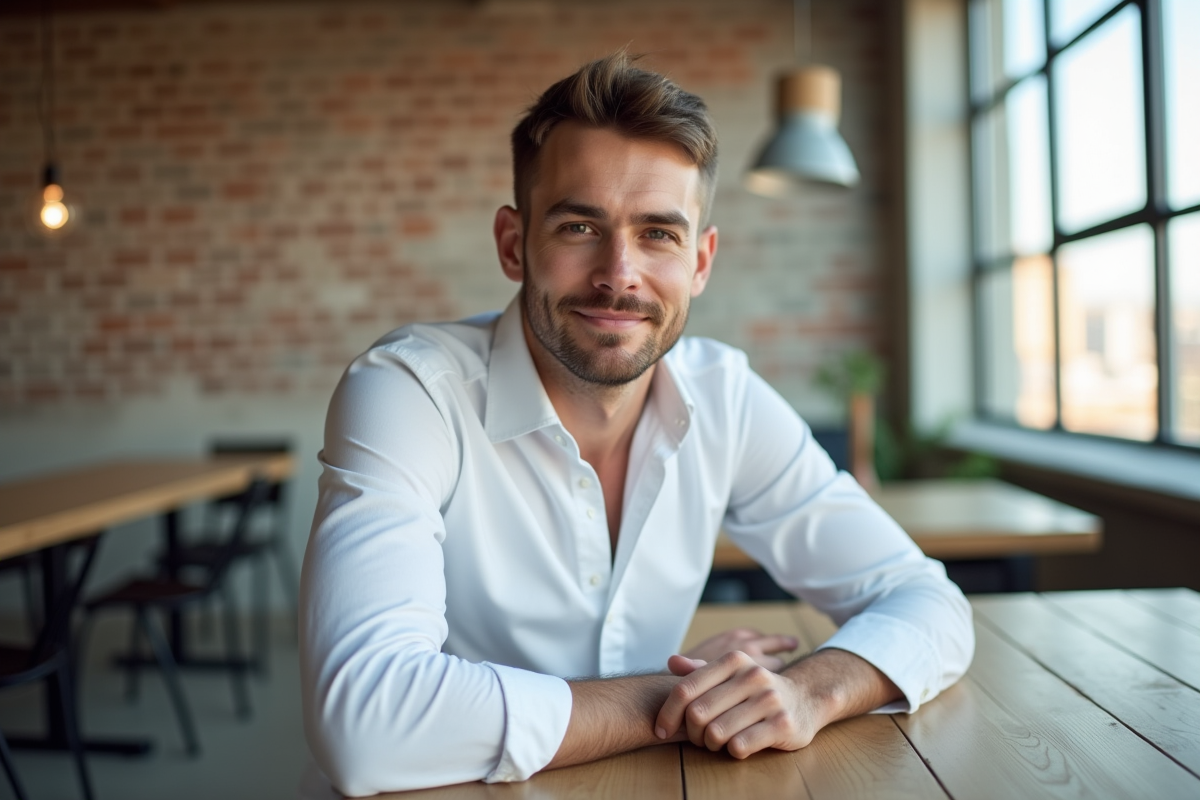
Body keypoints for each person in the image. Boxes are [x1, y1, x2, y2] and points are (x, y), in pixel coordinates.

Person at [299, 50, 974, 797]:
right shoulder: (408, 392)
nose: (619, 273)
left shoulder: (726, 398)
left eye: (658, 234)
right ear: (514, 244)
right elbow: (367, 724)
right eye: (581, 225)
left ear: (702, 261)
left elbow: (929, 602)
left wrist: (807, 692)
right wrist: (671, 693)